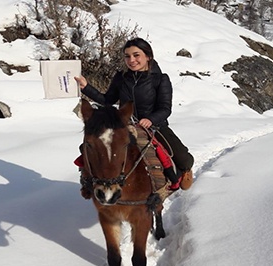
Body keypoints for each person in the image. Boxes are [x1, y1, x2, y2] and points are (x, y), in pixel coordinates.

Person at [74, 37, 194, 199]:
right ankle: (89, 182)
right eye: (127, 56)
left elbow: (165, 108)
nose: (132, 60)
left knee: (183, 158)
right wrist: (86, 87)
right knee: (91, 147)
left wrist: (151, 119)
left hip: (154, 125)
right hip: (125, 125)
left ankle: (182, 174)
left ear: (148, 56)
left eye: (136, 55)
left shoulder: (160, 79)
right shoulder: (121, 78)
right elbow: (107, 100)